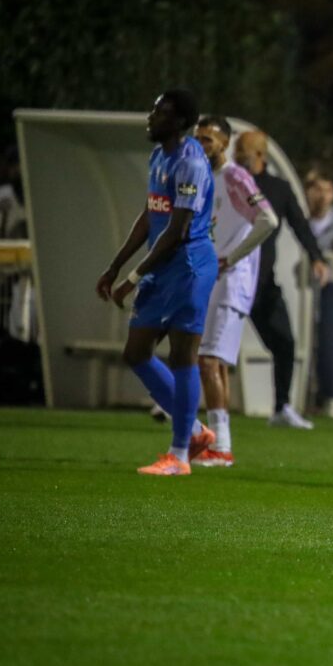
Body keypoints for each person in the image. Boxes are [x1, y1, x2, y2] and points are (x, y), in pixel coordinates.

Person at [94, 89, 217, 475]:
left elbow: (178, 231)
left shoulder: (191, 163)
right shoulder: (158, 155)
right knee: (136, 353)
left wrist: (132, 278)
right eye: (153, 109)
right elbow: (151, 216)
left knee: (183, 355)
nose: (151, 117)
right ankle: (194, 430)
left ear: (180, 122)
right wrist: (115, 266)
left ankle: (179, 455)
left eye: (160, 112)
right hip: (161, 265)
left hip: (189, 268)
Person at [192, 116, 279, 467]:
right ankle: (219, 444)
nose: (201, 145)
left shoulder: (234, 177)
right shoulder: (204, 178)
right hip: (215, 277)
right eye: (197, 138)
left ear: (224, 143)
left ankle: (221, 447)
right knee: (216, 362)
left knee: (208, 360)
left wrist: (232, 257)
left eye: (208, 140)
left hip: (232, 280)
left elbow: (268, 220)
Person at [234, 130, 329, 429]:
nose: (238, 158)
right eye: (237, 153)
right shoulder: (229, 183)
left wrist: (316, 257)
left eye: (244, 153)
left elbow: (300, 225)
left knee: (285, 342)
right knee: (203, 345)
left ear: (261, 156)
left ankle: (281, 408)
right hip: (229, 281)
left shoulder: (278, 189)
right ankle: (172, 400)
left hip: (262, 285)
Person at [304, 171, 333, 253]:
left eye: (328, 191)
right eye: (318, 190)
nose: (323, 196)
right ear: (307, 191)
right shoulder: (296, 219)